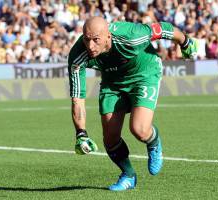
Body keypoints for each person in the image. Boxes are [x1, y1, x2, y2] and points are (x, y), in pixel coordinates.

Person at [68, 16, 197, 191]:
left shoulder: (132, 36)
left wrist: (185, 42)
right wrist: (81, 133)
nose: (90, 46)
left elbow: (163, 29)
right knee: (110, 136)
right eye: (86, 39)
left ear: (108, 36)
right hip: (112, 83)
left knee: (139, 130)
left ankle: (153, 142)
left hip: (144, 74)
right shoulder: (77, 56)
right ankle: (128, 175)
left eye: (96, 40)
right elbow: (77, 99)